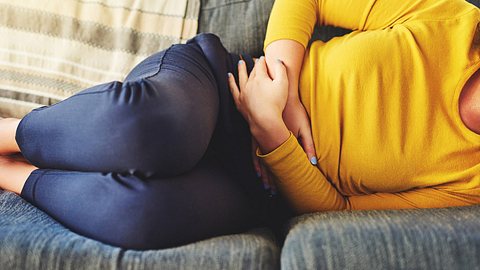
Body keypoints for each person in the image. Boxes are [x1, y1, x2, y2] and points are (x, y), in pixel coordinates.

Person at [0, 0, 478, 250]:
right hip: (220, 85)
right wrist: (284, 88)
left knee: (142, 218)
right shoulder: (454, 20)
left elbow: (341, 210)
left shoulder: (471, 184)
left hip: (251, 185)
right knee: (159, 131)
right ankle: (8, 133)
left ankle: (9, 175)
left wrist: (273, 134)